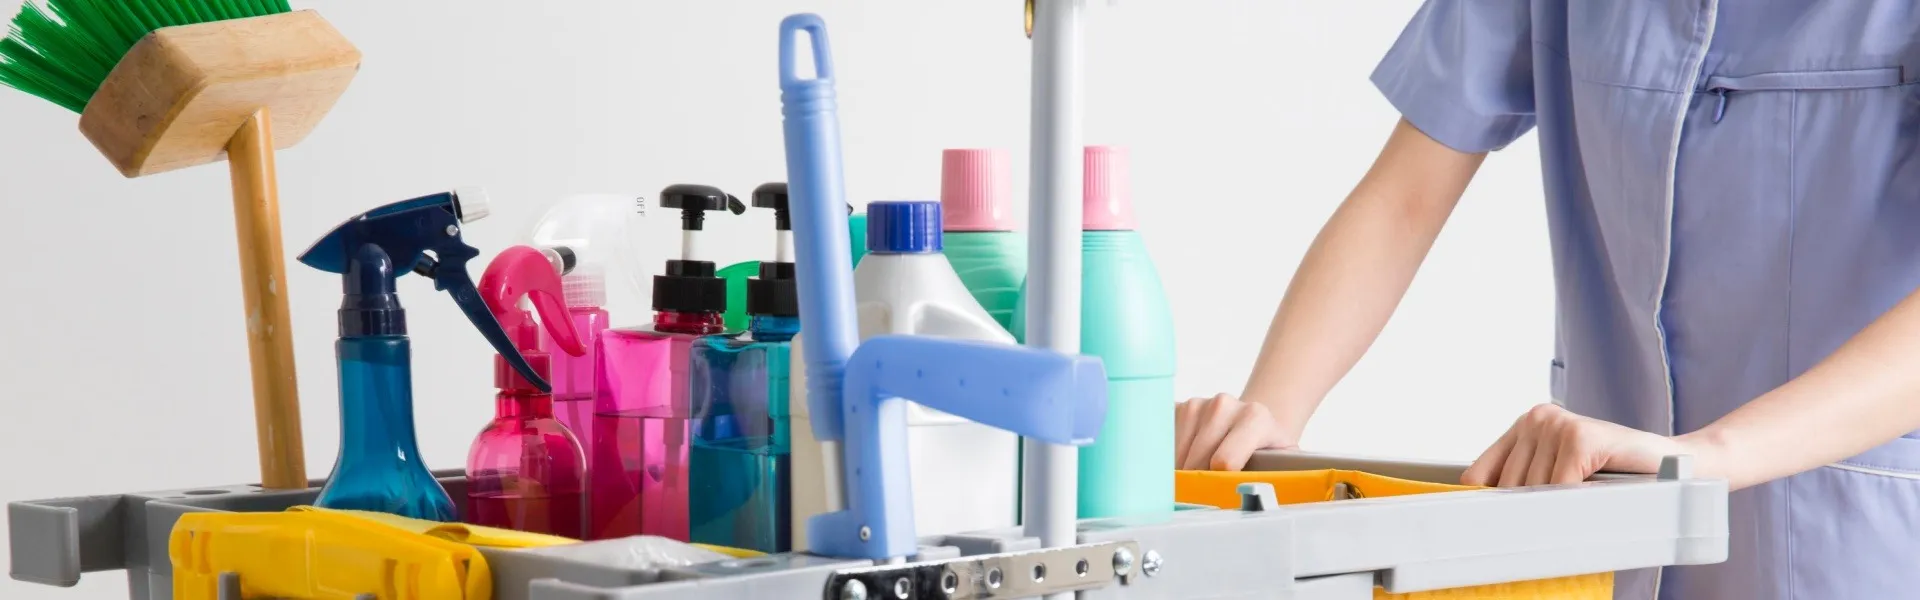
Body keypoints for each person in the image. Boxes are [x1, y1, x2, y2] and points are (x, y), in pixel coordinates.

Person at [1173, 2, 1920, 599]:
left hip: (1852, 545)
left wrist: (1705, 458)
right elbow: (1405, 195)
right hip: (1597, 540)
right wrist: (1265, 424)